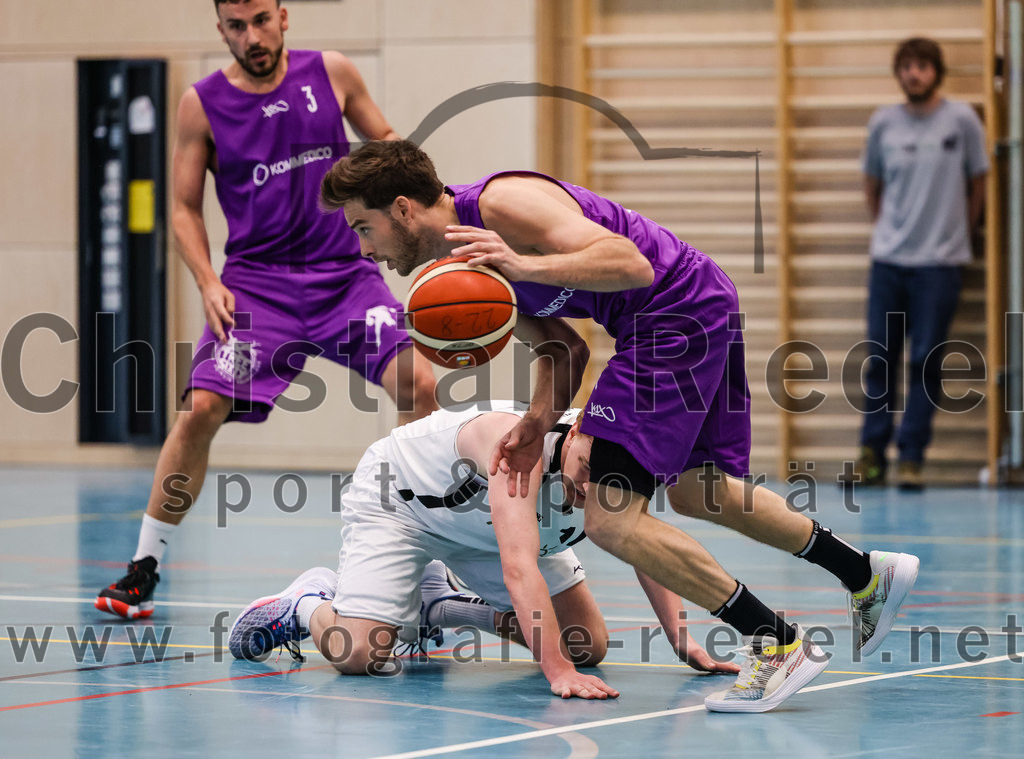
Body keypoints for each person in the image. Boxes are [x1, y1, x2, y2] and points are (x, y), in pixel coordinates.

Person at [316, 139, 922, 712]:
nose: (366, 249)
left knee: (610, 519)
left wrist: (523, 262)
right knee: (697, 490)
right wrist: (536, 423)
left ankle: (778, 643)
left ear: (402, 208)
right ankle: (865, 574)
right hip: (696, 307)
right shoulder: (473, 266)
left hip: (670, 315)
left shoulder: (501, 204)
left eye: (364, 228)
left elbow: (631, 265)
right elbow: (564, 350)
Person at [94, 0, 437, 620]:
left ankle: (420, 553)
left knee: (420, 382)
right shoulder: (201, 103)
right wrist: (206, 280)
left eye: (260, 20)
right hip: (257, 288)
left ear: (284, 17)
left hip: (346, 277)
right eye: (236, 25)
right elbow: (182, 207)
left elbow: (389, 148)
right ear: (220, 29)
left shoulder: (331, 73)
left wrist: (426, 214)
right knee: (201, 408)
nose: (251, 36)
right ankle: (144, 564)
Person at [228, 402, 738, 700]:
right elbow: (519, 567)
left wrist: (681, 641)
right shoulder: (520, 447)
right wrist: (557, 673)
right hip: (402, 504)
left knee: (587, 645)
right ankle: (306, 602)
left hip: (488, 530)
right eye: (584, 469)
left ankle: (438, 604)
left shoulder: (628, 455)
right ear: (577, 431)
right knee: (360, 654)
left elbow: (643, 545)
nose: (590, 490)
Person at [846, 37, 988, 490]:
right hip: (889, 261)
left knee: (927, 360)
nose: (914, 74)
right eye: (906, 66)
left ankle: (911, 457)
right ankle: (872, 454)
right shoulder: (883, 123)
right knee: (880, 358)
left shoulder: (962, 120)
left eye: (922, 66)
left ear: (936, 71)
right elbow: (872, 183)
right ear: (899, 73)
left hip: (941, 263)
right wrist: (890, 231)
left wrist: (960, 234)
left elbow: (978, 182)